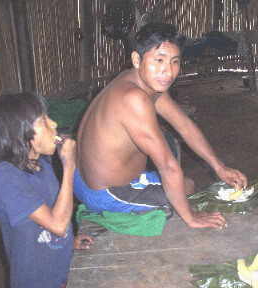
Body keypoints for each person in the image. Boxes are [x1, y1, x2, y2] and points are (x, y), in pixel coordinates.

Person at [75, 23, 247, 230]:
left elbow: (184, 125)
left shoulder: (138, 80)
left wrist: (219, 166)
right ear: (137, 60)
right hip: (107, 193)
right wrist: (191, 217)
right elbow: (167, 165)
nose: (168, 71)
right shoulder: (133, 98)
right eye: (159, 60)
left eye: (175, 62)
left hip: (85, 180)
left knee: (186, 185)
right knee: (185, 190)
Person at [0, 92, 93, 288]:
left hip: (58, 272)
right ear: (22, 132)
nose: (53, 124)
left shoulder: (40, 163)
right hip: (36, 280)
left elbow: (54, 210)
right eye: (43, 120)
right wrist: (69, 166)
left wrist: (70, 243)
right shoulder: (5, 178)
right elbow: (58, 225)